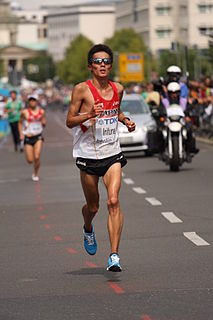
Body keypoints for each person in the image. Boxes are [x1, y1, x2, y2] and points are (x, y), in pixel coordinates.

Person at [66, 44, 135, 272]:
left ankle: (114, 256)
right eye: (97, 61)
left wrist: (125, 120)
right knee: (94, 207)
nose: (102, 64)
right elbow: (70, 121)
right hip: (87, 156)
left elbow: (116, 111)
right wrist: (89, 114)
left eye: (106, 61)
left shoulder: (119, 88)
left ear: (111, 65)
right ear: (90, 66)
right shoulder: (81, 90)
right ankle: (87, 227)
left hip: (112, 153)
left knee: (113, 201)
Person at [18, 94, 46, 181]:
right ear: (28, 102)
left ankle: (35, 173)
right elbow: (19, 123)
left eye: (34, 100)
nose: (32, 102)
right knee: (30, 160)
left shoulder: (41, 112)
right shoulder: (24, 112)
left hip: (38, 136)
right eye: (30, 100)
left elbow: (44, 122)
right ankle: (33, 166)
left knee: (37, 157)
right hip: (28, 137)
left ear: (36, 101)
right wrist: (21, 134)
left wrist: (43, 123)